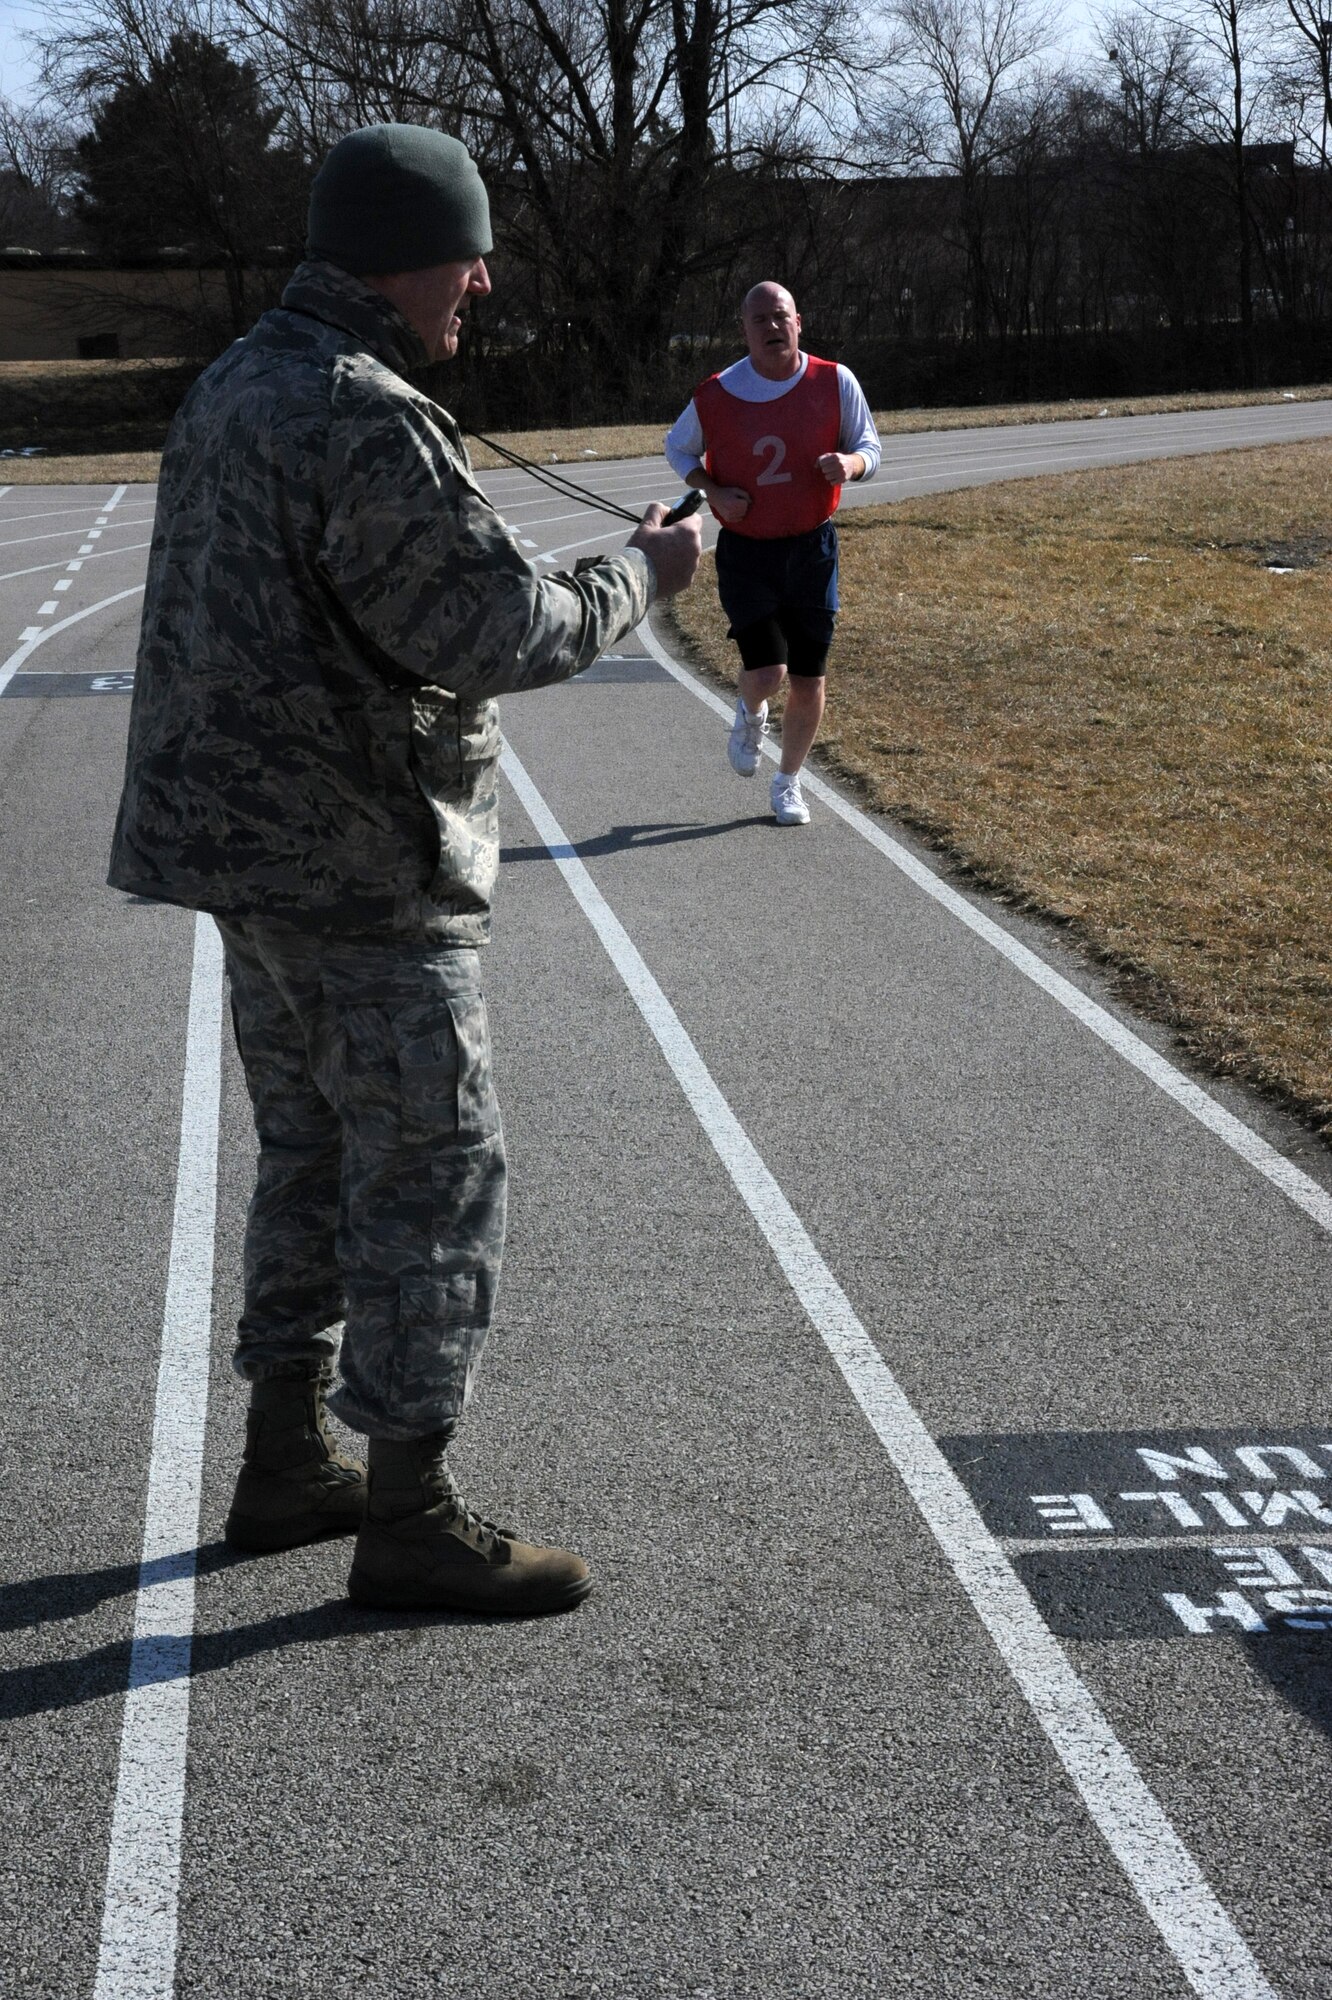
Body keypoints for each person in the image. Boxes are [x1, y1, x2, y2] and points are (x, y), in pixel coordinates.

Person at [108, 124, 701, 1618]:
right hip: (365, 868)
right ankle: (411, 1514)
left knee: (310, 1155)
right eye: (468, 254)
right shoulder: (358, 412)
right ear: (407, 251)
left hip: (255, 866)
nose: (483, 285)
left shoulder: (237, 383)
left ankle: (282, 1457)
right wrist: (647, 574)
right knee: (434, 1172)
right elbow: (493, 631)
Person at [664, 282, 880, 824]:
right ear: (744, 329)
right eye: (759, 319)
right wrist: (710, 489)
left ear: (798, 322)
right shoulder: (716, 393)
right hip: (749, 551)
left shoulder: (835, 380)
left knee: (810, 677)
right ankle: (750, 711)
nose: (771, 327)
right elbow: (677, 446)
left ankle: (788, 783)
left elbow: (870, 446)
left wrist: (849, 466)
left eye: (780, 316)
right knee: (767, 671)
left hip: (812, 547)